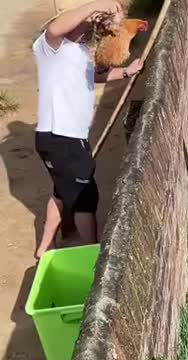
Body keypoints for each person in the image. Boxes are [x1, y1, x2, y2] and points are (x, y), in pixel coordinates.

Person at [32, 0, 144, 259]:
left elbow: (94, 76)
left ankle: (45, 246)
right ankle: (92, 251)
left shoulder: (80, 50)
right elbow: (56, 28)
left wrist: (126, 72)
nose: (90, 23)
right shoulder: (51, 46)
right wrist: (96, 5)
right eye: (86, 19)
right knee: (85, 196)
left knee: (62, 191)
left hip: (69, 137)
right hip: (60, 137)